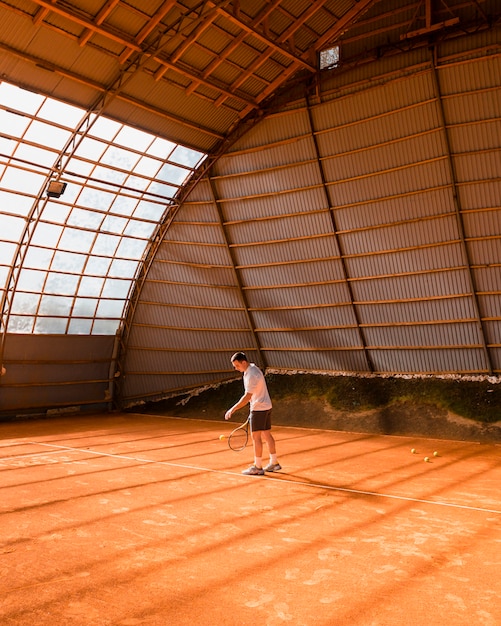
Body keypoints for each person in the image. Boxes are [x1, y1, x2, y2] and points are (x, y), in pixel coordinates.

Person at [225, 352, 281, 476]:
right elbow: (253, 394)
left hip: (259, 409)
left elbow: (247, 397)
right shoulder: (253, 369)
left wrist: (232, 409)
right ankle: (274, 462)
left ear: (243, 362)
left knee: (256, 438)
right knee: (267, 434)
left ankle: (258, 466)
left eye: (237, 365)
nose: (236, 368)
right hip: (266, 406)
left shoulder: (251, 374)